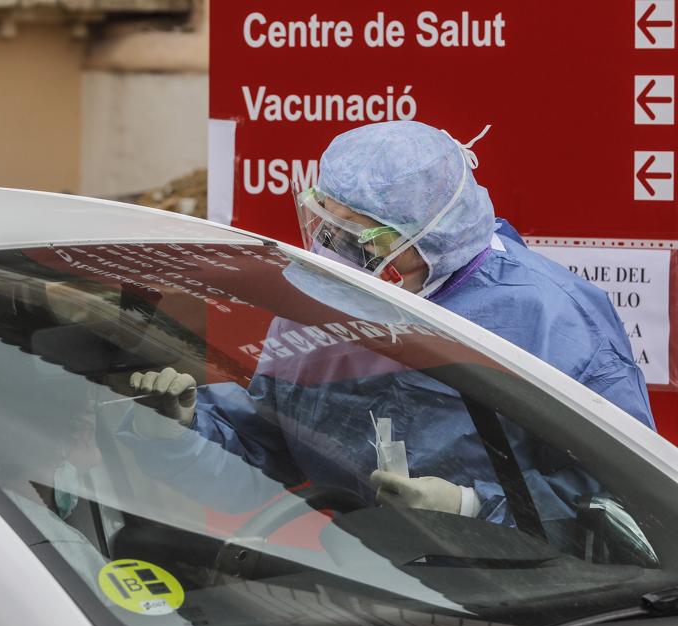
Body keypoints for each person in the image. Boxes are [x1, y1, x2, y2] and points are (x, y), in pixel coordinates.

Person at [126, 120, 654, 533]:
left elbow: (626, 496)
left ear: (436, 231)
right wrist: (181, 432)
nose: (339, 255)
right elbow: (264, 446)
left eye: (366, 241)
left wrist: (473, 508)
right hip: (375, 582)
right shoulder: (323, 298)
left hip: (529, 591)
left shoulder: (549, 316)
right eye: (327, 228)